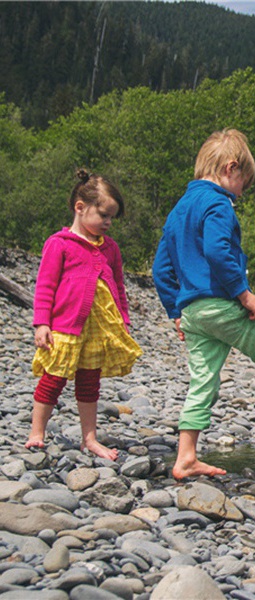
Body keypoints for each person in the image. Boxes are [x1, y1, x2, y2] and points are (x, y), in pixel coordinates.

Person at [152, 128, 255, 480]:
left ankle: (186, 457)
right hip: (222, 304)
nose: (241, 194)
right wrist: (244, 294)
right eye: (243, 185)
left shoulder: (178, 210)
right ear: (230, 169)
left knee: (203, 381)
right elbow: (218, 251)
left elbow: (161, 268)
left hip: (192, 312)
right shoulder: (218, 203)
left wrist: (175, 313)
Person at [27, 169, 142, 460]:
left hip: (98, 330)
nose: (108, 222)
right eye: (104, 215)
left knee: (90, 382)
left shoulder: (110, 249)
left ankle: (89, 438)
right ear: (80, 207)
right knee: (53, 378)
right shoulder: (59, 244)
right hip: (65, 327)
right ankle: (36, 432)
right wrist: (42, 323)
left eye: (111, 218)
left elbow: (118, 287)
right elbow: (46, 286)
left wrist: (123, 321)